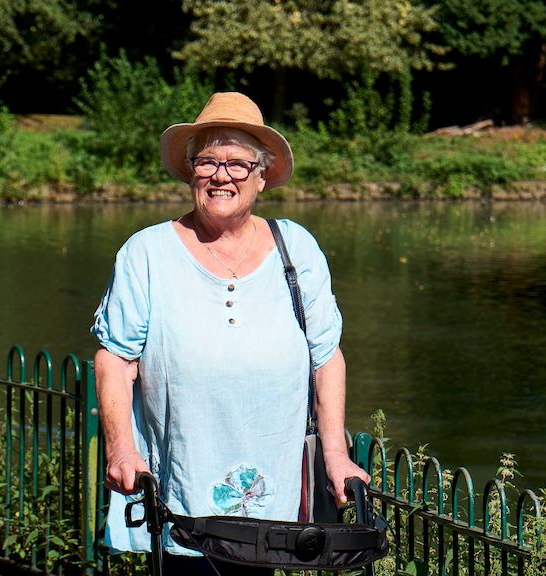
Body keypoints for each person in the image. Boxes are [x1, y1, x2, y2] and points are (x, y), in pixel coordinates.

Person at [90, 92, 370, 573]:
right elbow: (115, 358)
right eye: (208, 161)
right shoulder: (147, 253)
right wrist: (121, 448)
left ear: (262, 177)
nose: (222, 175)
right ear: (191, 171)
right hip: (180, 498)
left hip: (278, 503)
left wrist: (336, 456)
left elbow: (326, 357)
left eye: (238, 164)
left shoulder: (296, 248)